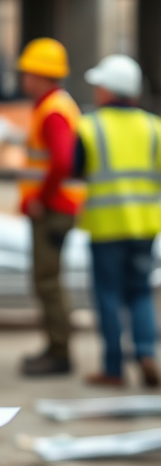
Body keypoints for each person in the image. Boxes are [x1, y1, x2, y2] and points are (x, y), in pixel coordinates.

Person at [74, 54, 161, 388]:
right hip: (144, 225)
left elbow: (75, 168)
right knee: (140, 292)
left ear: (110, 90)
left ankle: (113, 367)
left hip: (106, 226)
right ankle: (146, 353)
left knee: (108, 296)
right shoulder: (154, 127)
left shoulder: (89, 126)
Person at [15, 38, 84, 377]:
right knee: (48, 279)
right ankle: (56, 347)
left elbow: (61, 161)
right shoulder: (54, 105)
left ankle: (60, 353)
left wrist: (41, 198)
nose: (23, 79)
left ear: (41, 75)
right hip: (55, 205)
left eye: (28, 72)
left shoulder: (53, 110)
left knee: (47, 281)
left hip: (53, 209)